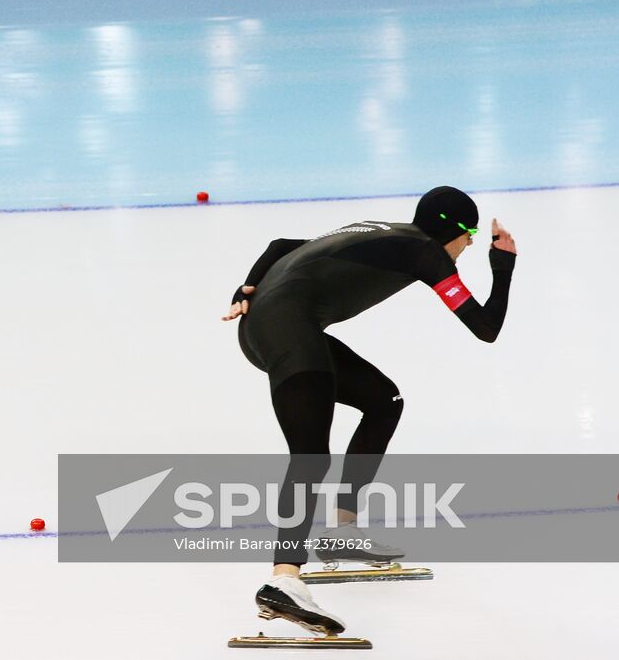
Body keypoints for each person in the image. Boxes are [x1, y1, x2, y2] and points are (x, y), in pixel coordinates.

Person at [220, 186, 517, 635]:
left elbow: (279, 247)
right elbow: (486, 328)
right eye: (469, 234)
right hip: (287, 330)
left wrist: (245, 288)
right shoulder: (427, 253)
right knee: (310, 455)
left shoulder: (381, 229)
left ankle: (342, 530)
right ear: (450, 231)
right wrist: (504, 266)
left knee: (383, 402)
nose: (471, 244)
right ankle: (283, 579)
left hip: (273, 324)